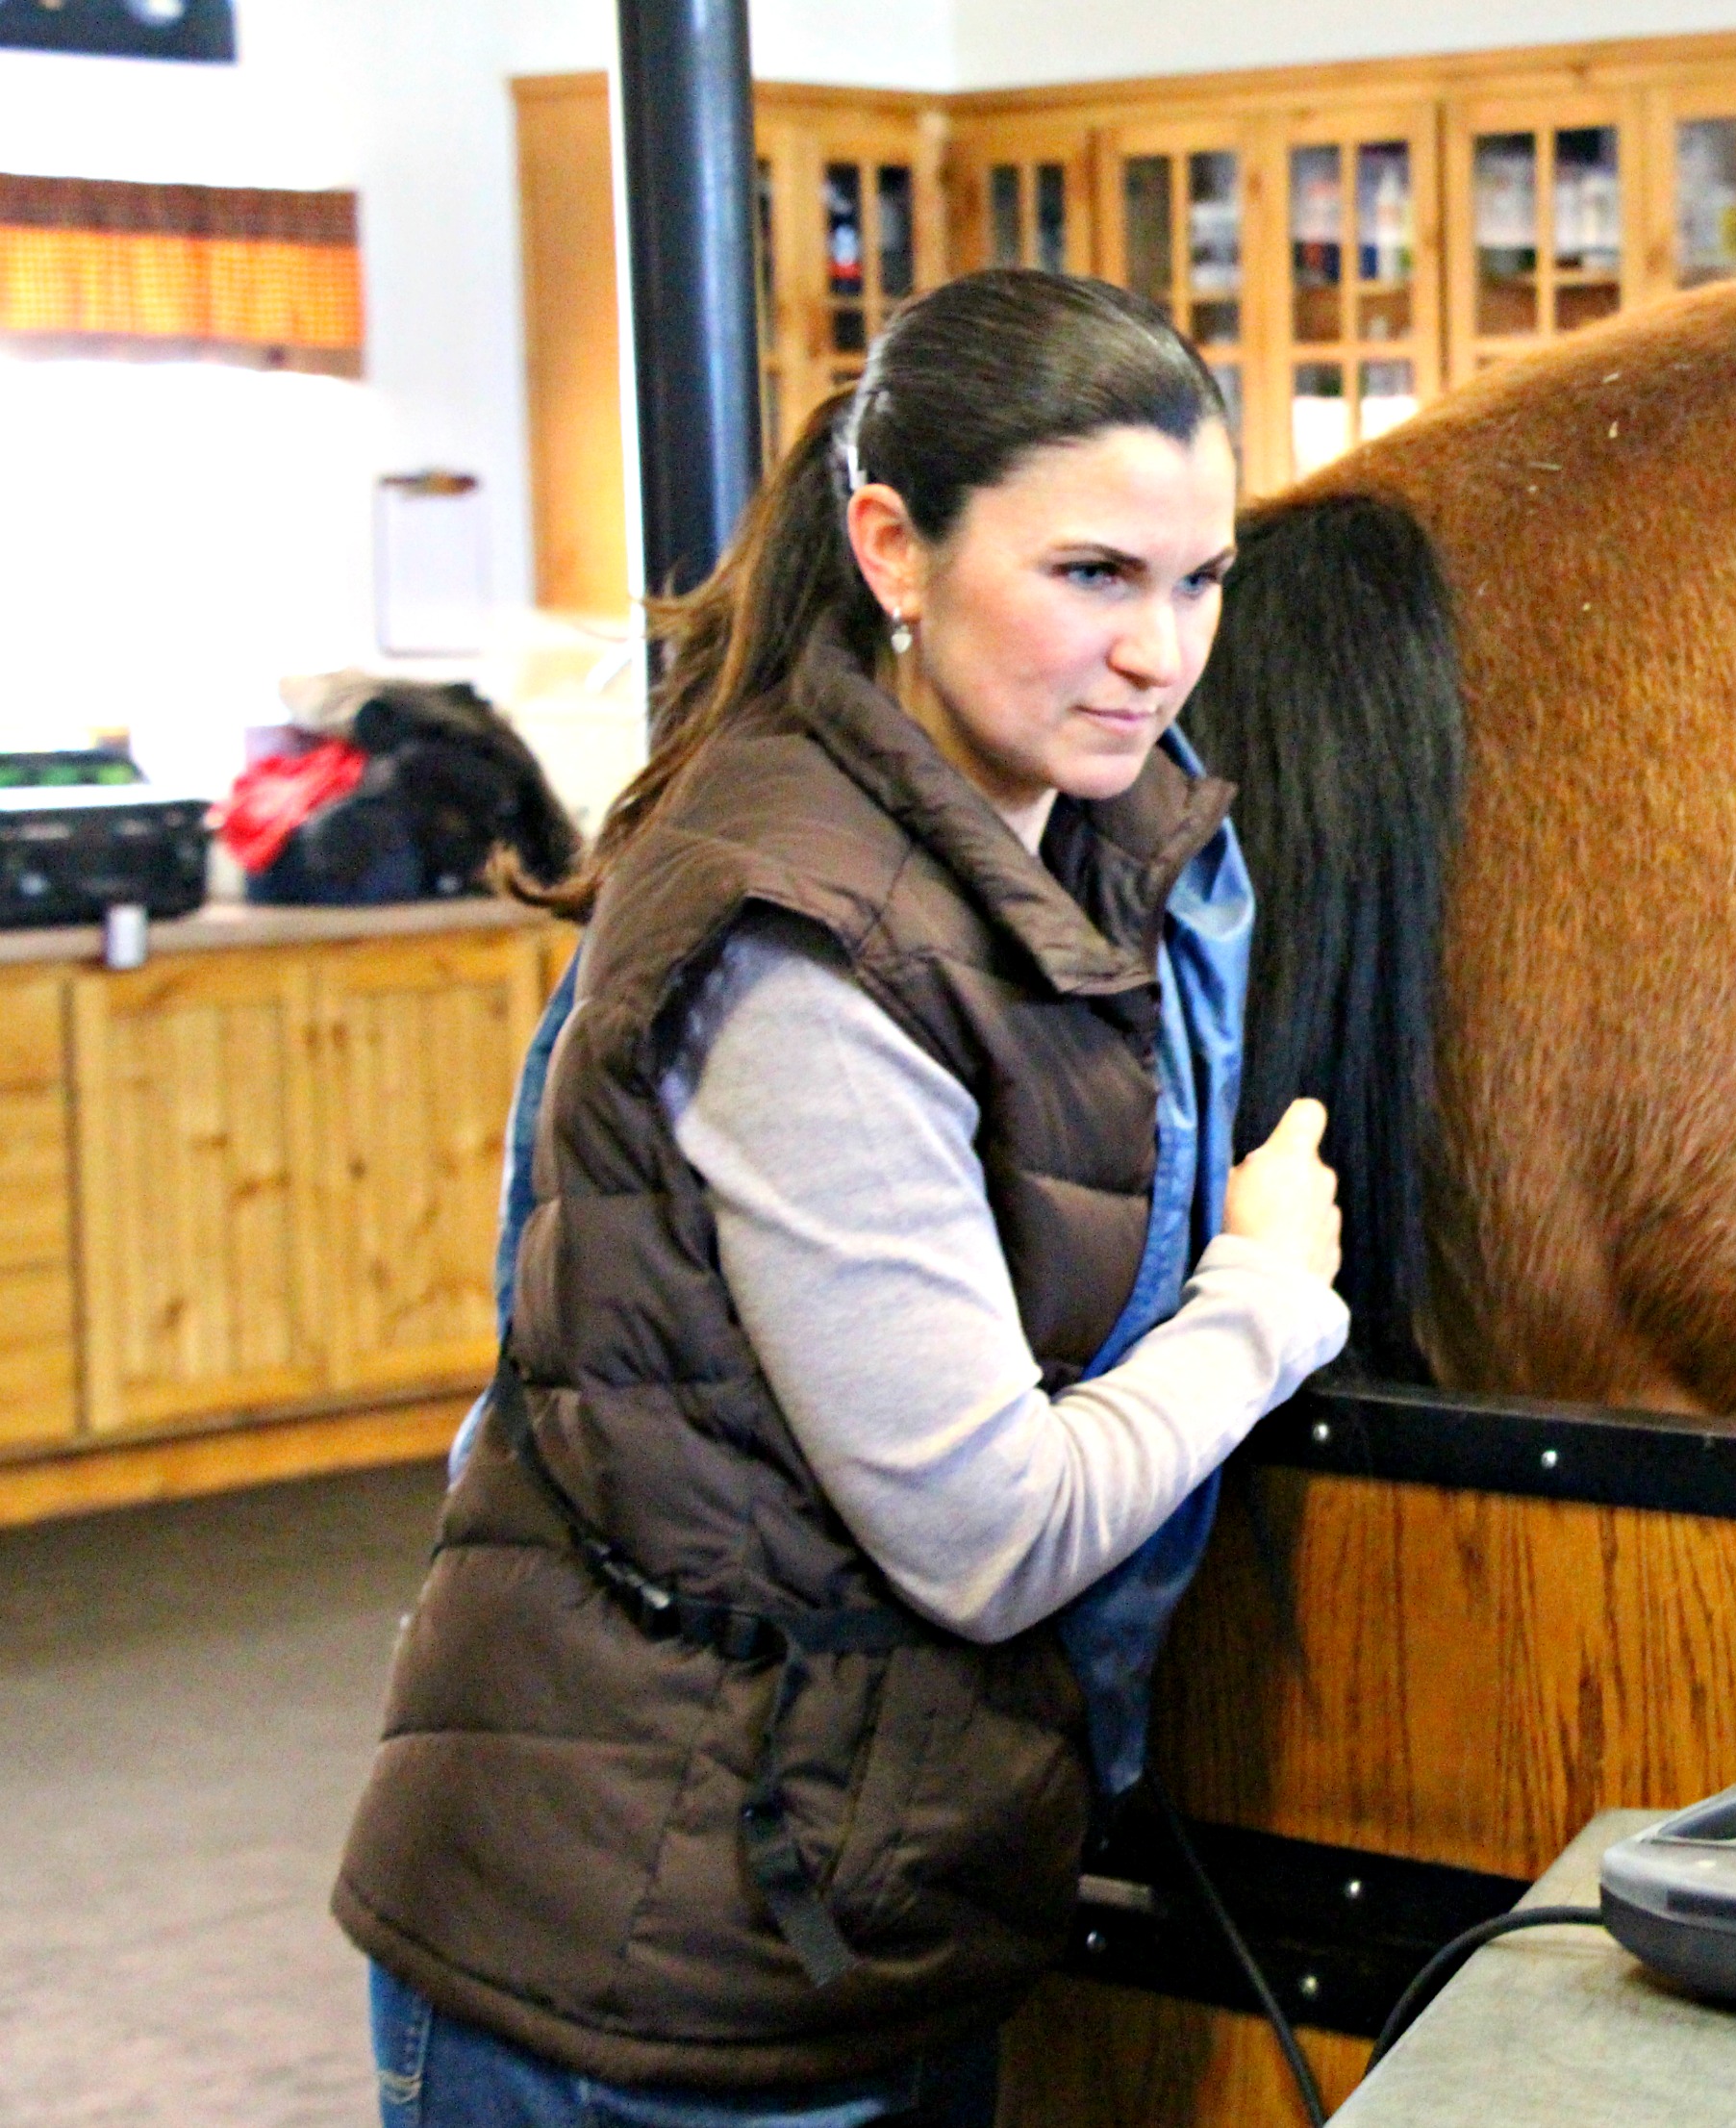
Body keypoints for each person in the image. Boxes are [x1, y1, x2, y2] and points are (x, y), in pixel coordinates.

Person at [332, 270, 1350, 2126]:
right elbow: (987, 1529)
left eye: (1200, 582)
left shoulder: (1114, 848)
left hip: (853, 1892)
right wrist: (1268, 1302)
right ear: (890, 546)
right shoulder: (801, 942)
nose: (1160, 652)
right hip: (646, 1952)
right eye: (1092, 576)